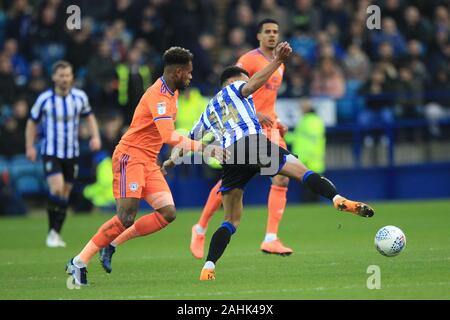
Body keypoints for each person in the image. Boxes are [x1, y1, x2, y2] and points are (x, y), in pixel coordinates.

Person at [164, 42, 374, 281]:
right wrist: (277, 61)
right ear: (233, 81)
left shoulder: (208, 110)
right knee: (301, 172)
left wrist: (170, 162)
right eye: (245, 79)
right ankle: (337, 199)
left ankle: (209, 266)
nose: (248, 85)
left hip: (231, 158)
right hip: (252, 143)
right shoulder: (235, 88)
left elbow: (189, 140)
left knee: (230, 220)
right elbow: (252, 84)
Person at [65, 47, 227, 286]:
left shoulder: (173, 93)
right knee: (125, 217)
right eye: (189, 73)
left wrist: (159, 160)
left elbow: (157, 136)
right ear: (178, 71)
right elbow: (169, 136)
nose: (191, 77)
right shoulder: (158, 96)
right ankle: (78, 262)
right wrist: (205, 148)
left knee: (168, 213)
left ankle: (111, 245)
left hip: (148, 161)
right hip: (129, 158)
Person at [190, 18, 295, 259]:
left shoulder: (280, 64)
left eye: (275, 32)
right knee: (231, 184)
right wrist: (256, 113)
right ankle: (200, 227)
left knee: (281, 178)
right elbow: (233, 92)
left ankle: (271, 238)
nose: (271, 35)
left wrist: (276, 121)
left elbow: (269, 100)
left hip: (269, 128)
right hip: (243, 127)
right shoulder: (248, 60)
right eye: (267, 32)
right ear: (258, 36)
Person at [25, 60, 102, 248]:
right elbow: (31, 122)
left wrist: (95, 137)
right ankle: (52, 233)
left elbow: (89, 116)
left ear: (72, 77)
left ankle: (55, 233)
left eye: (67, 75)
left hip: (71, 153)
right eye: (61, 75)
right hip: (51, 151)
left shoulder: (79, 97)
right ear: (54, 77)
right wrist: (30, 147)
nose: (64, 79)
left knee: (65, 194)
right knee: (57, 188)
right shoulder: (45, 99)